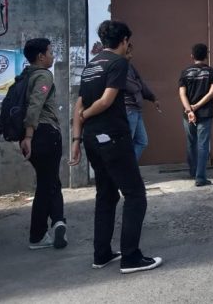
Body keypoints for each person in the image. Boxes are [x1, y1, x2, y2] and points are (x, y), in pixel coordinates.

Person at [70, 20, 162, 274]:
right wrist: (86, 115)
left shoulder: (91, 65)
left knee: (107, 194)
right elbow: (106, 100)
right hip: (112, 137)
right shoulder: (118, 63)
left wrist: (76, 139)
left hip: (91, 139)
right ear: (123, 41)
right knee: (135, 195)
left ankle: (102, 254)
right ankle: (131, 258)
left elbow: (77, 105)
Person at [21, 38, 67, 250]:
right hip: (45, 134)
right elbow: (35, 105)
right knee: (46, 184)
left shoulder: (25, 76)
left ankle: (58, 220)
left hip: (35, 136)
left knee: (50, 181)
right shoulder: (43, 75)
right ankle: (37, 235)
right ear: (41, 56)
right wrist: (29, 136)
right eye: (50, 52)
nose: (52, 56)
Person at [178, 43, 213, 187]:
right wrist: (196, 107)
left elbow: (182, 94)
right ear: (206, 56)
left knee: (191, 143)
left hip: (188, 114)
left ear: (192, 56)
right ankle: (200, 178)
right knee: (203, 145)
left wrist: (189, 110)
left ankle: (193, 171)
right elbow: (211, 93)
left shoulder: (185, 72)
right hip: (205, 113)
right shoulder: (212, 72)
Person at [125, 42, 160, 161]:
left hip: (136, 109)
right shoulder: (119, 67)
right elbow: (132, 86)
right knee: (127, 145)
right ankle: (126, 174)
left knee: (142, 141)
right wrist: (138, 85)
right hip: (128, 109)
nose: (131, 55)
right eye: (128, 53)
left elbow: (140, 84)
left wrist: (152, 98)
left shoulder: (130, 66)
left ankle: (130, 171)